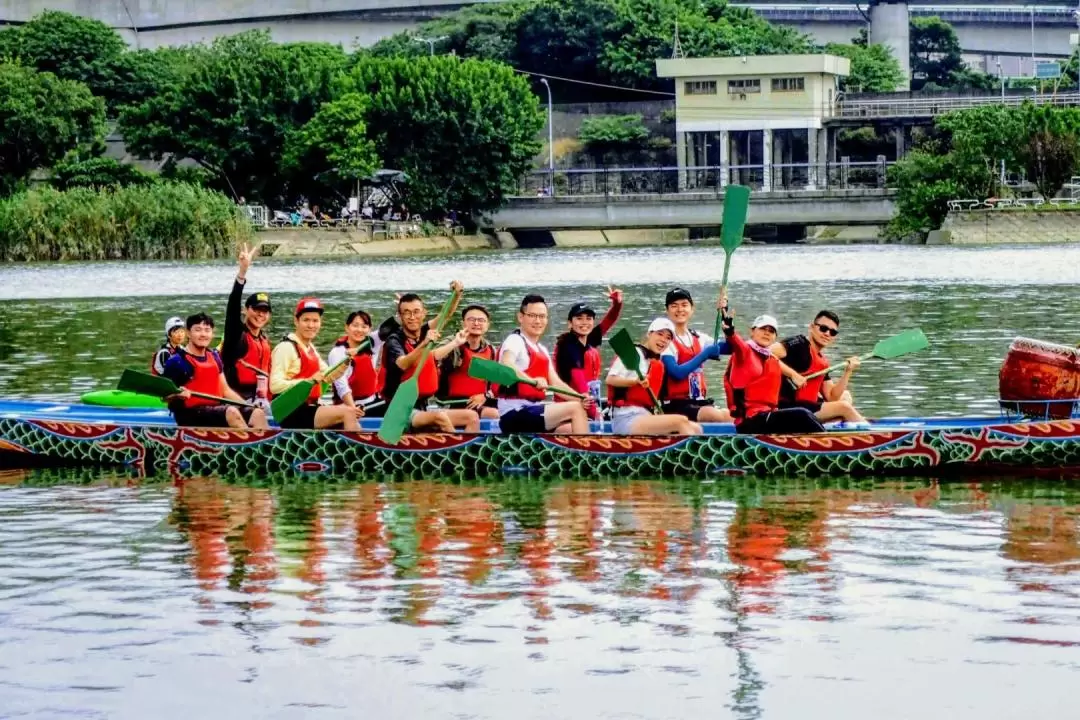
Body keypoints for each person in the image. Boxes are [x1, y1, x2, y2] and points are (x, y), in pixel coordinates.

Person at [377, 285, 480, 433]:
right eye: (406, 313)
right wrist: (425, 343)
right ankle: (454, 452)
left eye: (416, 312)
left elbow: (446, 315)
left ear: (424, 313)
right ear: (400, 316)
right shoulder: (394, 340)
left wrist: (457, 294)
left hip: (421, 407)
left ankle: (469, 450)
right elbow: (403, 364)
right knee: (440, 418)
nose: (412, 317)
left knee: (471, 417)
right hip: (398, 411)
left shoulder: (424, 330)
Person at [720, 309, 826, 435]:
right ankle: (830, 444)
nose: (767, 333)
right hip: (750, 421)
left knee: (804, 413)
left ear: (775, 337)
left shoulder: (771, 358)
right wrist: (729, 330)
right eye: (762, 329)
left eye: (771, 331)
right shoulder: (744, 352)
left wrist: (794, 376)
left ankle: (825, 440)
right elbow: (735, 341)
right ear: (752, 332)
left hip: (768, 417)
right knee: (802, 414)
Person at [497, 294, 591, 434]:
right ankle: (586, 453)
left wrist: (581, 398)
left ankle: (568, 452)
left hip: (532, 410)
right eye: (532, 316)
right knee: (575, 409)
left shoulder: (542, 349)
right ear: (521, 317)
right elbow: (506, 365)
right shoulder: (514, 341)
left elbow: (555, 382)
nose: (538, 321)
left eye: (542, 316)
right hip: (513, 414)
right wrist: (532, 381)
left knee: (569, 426)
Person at [162, 313, 268, 429]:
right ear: (188, 333)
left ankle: (262, 444)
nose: (203, 334)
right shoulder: (177, 362)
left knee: (257, 413)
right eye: (198, 330)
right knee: (231, 412)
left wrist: (248, 405)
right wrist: (177, 395)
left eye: (207, 330)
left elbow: (226, 390)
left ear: (212, 333)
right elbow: (164, 397)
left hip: (215, 410)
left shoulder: (214, 357)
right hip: (189, 414)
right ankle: (247, 443)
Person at [270, 298, 363, 430]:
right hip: (290, 412)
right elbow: (274, 385)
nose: (311, 325)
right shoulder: (286, 348)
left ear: (320, 322)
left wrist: (347, 360)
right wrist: (308, 381)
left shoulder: (310, 348)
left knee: (349, 412)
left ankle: (354, 446)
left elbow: (329, 376)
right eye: (306, 320)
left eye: (315, 321)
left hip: (309, 408)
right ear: (296, 321)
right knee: (348, 412)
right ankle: (357, 448)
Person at [606, 317, 705, 436]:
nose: (663, 340)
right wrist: (634, 382)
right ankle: (686, 453)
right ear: (649, 334)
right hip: (625, 418)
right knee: (681, 421)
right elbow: (610, 379)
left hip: (645, 415)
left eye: (668, 338)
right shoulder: (632, 353)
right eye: (660, 334)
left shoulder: (655, 362)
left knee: (696, 427)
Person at [769, 310, 868, 427]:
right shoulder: (798, 344)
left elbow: (832, 397)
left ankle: (833, 425)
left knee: (845, 396)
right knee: (844, 407)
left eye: (833, 332)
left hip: (809, 407)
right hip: (789, 408)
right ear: (812, 327)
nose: (827, 334)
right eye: (823, 328)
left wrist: (848, 371)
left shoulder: (822, 362)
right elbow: (766, 353)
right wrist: (792, 374)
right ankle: (872, 433)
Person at [661, 287, 732, 423]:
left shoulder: (698, 337)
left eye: (684, 305)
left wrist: (725, 316)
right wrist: (705, 354)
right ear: (667, 310)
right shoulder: (664, 340)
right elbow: (676, 373)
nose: (680, 309)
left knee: (731, 415)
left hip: (698, 401)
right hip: (675, 405)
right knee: (714, 415)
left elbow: (731, 348)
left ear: (692, 309)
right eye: (674, 306)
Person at [553, 286, 623, 418]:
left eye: (589, 318)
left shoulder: (588, 338)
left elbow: (609, 320)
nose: (585, 322)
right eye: (579, 318)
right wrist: (595, 414)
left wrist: (617, 303)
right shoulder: (568, 346)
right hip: (570, 407)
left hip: (586, 404)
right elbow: (580, 384)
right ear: (570, 323)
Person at [221, 244, 273, 405]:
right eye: (257, 309)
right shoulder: (236, 335)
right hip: (236, 399)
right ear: (245, 310)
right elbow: (232, 306)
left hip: (261, 398)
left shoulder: (263, 340)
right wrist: (242, 272)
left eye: (265, 311)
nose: (261, 314)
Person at [437, 304, 500, 420]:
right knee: (493, 414)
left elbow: (500, 382)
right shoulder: (454, 342)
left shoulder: (491, 350)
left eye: (481, 320)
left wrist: (486, 396)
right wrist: (455, 343)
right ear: (463, 323)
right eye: (471, 320)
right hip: (457, 402)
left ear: (487, 325)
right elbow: (434, 356)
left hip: (482, 400)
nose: (476, 323)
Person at [328, 310, 380, 411]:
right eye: (355, 325)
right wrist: (353, 410)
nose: (359, 330)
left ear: (369, 330)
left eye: (364, 326)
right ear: (347, 327)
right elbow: (342, 388)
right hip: (347, 407)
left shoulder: (373, 344)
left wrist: (401, 309)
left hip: (371, 404)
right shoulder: (337, 353)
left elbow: (390, 328)